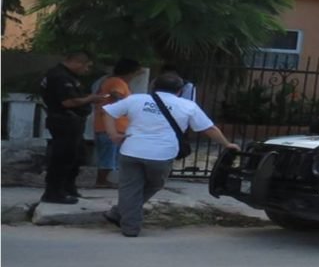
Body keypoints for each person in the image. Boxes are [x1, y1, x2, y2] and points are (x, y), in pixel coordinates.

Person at [101, 73, 239, 237]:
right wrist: (226, 144)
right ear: (180, 90)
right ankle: (126, 219)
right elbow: (208, 128)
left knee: (129, 189)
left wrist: (113, 135)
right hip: (162, 155)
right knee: (154, 185)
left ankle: (127, 223)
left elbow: (108, 112)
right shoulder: (188, 106)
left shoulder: (136, 99)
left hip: (131, 150)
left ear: (153, 86)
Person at [40, 50, 109, 204]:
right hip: (64, 121)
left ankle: (68, 188)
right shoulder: (59, 76)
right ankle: (54, 192)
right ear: (77, 62)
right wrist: (91, 98)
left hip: (73, 122)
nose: (87, 70)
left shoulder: (68, 76)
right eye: (86, 67)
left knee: (76, 156)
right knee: (62, 157)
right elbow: (68, 102)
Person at [92, 58, 143, 188]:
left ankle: (104, 180)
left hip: (111, 125)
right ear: (130, 72)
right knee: (108, 155)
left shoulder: (111, 80)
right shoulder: (117, 82)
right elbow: (116, 94)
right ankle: (102, 181)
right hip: (111, 126)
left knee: (110, 155)